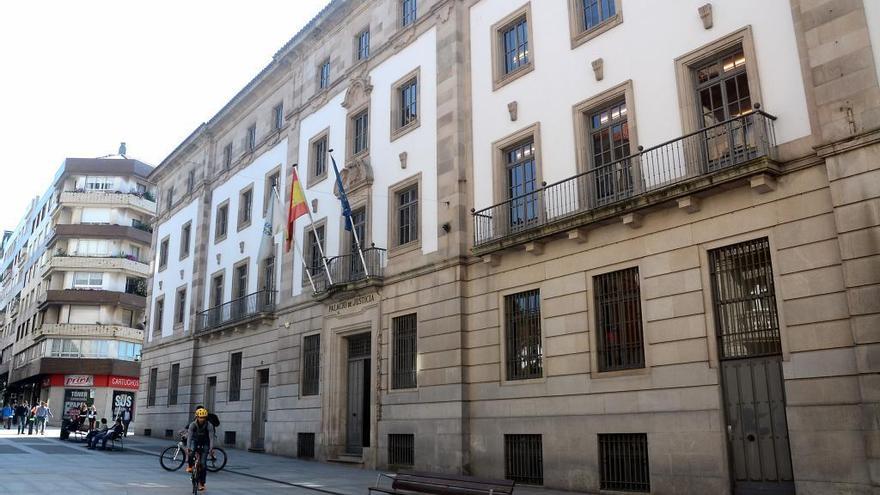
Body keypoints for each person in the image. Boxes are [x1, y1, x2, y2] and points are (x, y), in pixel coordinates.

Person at [185, 407, 215, 492]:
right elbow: (189, 437)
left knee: (203, 465)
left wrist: (211, 448)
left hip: (205, 442)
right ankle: (190, 466)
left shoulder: (209, 425)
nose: (202, 419)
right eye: (200, 417)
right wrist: (188, 448)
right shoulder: (192, 425)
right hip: (195, 441)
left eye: (203, 417)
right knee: (191, 453)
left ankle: (202, 483)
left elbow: (211, 437)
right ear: (197, 417)